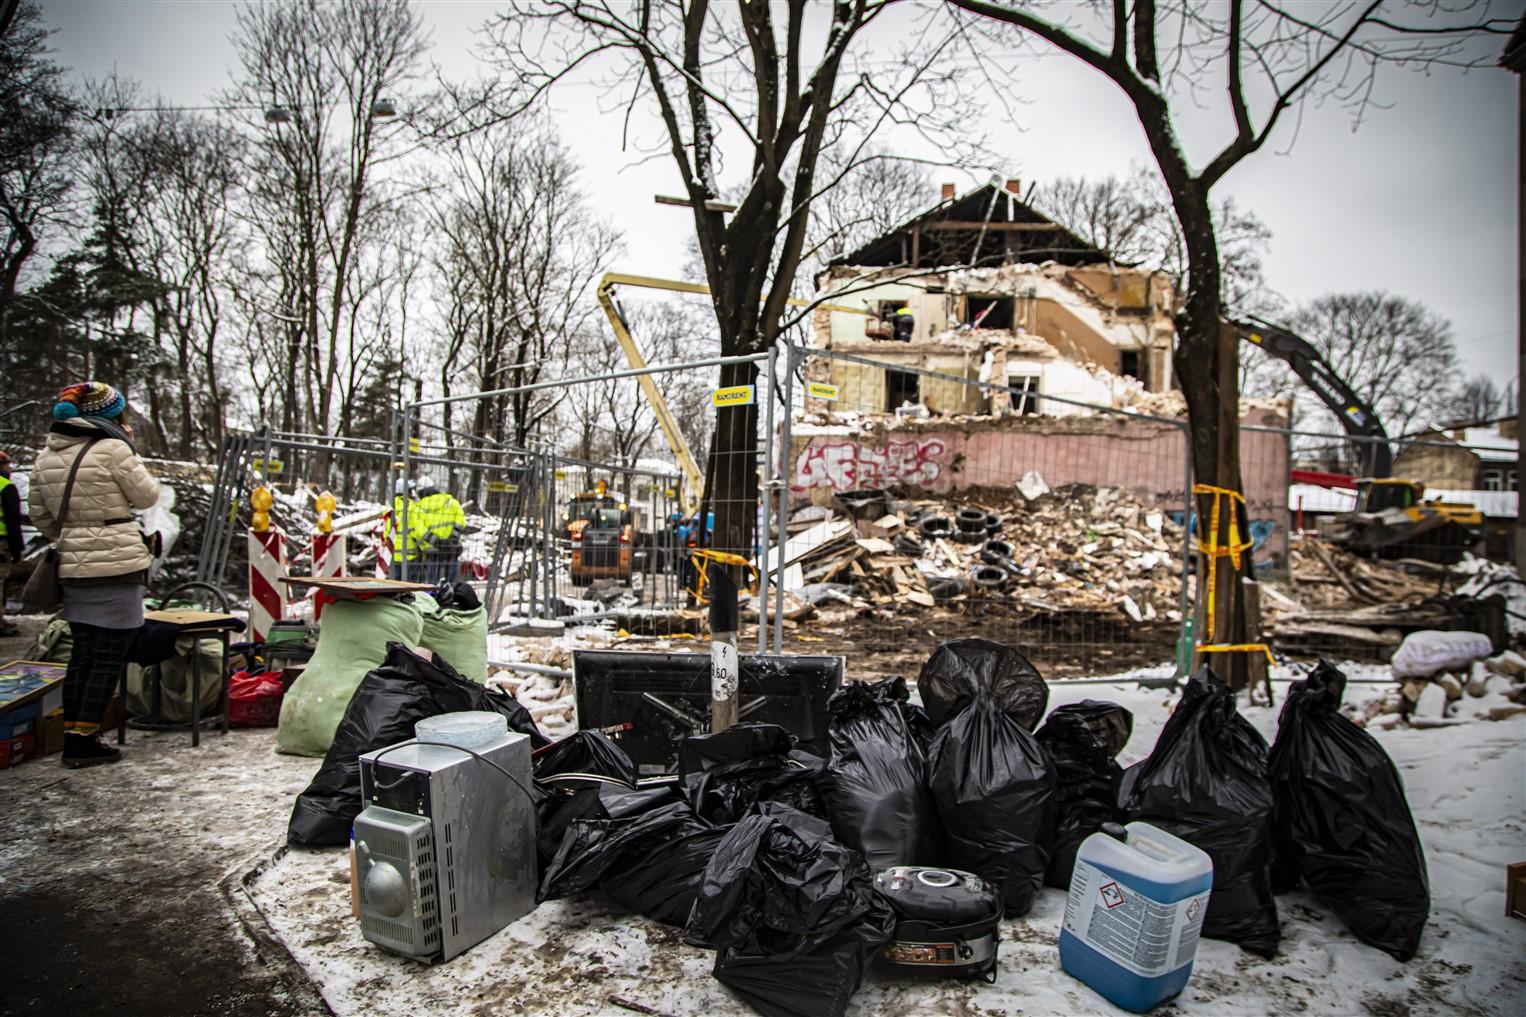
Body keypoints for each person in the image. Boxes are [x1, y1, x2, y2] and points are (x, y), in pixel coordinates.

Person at [28, 382, 160, 769]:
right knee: (109, 655)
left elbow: (40, 515)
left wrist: (73, 536)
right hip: (116, 565)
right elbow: (147, 496)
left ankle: (73, 734)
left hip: (72, 566)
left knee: (83, 652)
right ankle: (84, 741)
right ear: (111, 416)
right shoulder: (112, 449)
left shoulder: (45, 456)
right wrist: (129, 449)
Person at [412, 481, 466, 585]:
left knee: (432, 583)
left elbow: (419, 530)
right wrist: (452, 538)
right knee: (452, 583)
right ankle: (452, 592)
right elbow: (461, 521)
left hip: (432, 550)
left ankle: (434, 593)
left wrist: (436, 541)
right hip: (451, 549)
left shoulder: (418, 508)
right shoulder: (451, 502)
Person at [0, 450, 23, 637]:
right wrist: (17, 549)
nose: (10, 468)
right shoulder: (5, 486)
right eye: (7, 464)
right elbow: (13, 521)